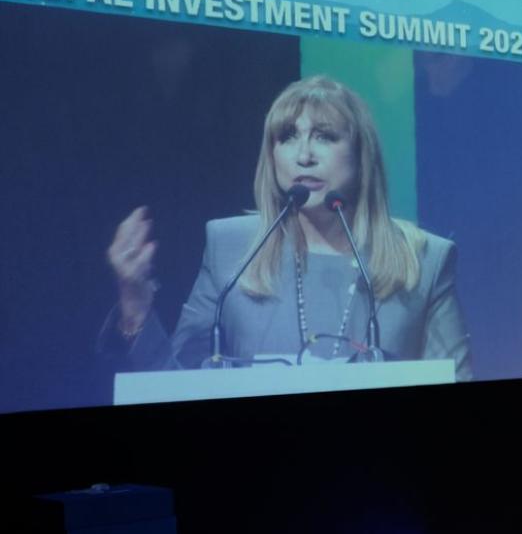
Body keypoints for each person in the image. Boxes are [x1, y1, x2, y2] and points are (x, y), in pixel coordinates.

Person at [102, 75, 471, 377]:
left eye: (325, 136)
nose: (304, 155)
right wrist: (135, 306)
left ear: (361, 156)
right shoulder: (231, 248)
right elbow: (175, 383)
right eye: (287, 137)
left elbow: (456, 379)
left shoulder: (424, 259)